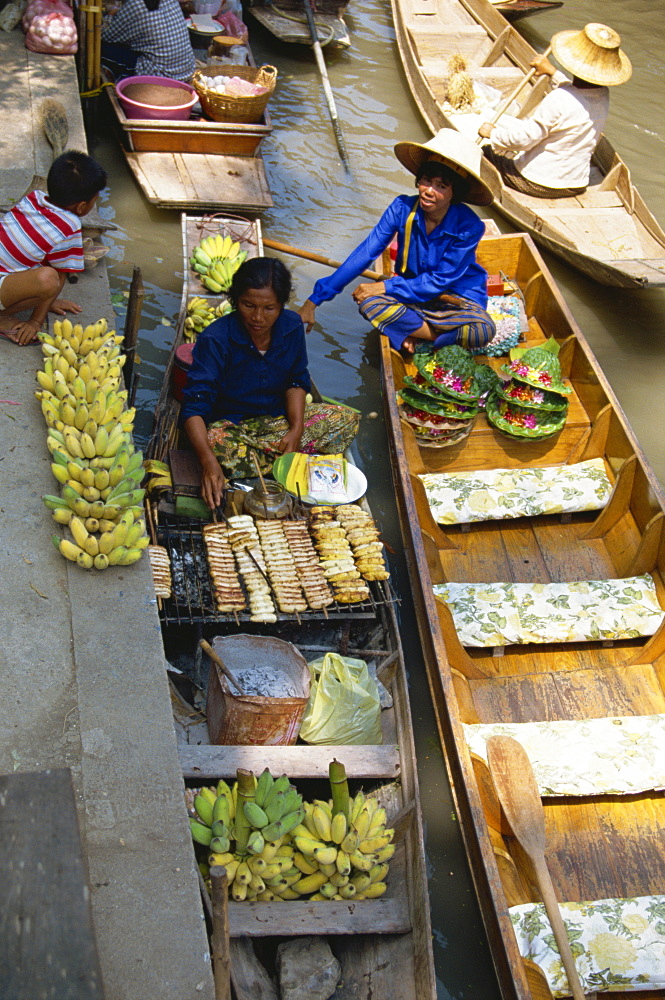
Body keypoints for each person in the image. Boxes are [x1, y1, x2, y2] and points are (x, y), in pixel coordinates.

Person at [181, 256, 360, 509]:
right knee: (217, 442)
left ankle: (270, 460)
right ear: (235, 300)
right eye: (248, 305)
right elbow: (194, 408)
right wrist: (208, 462)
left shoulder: (292, 326)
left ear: (281, 305)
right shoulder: (216, 339)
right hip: (233, 427)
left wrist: (296, 428)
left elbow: (297, 379)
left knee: (346, 419)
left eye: (269, 308)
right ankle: (289, 462)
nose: (258, 317)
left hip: (278, 423)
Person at [298, 129, 496, 355]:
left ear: (455, 192)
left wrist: (385, 285)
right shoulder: (401, 208)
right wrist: (313, 301)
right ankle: (433, 335)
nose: (429, 191)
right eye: (426, 181)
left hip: (454, 299)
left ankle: (417, 335)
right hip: (411, 293)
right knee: (368, 302)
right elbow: (365, 254)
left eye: (441, 186)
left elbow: (440, 281)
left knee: (482, 331)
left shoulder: (469, 226)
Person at [478, 23, 632, 199]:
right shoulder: (603, 95)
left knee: (488, 151)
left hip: (538, 183)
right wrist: (552, 72)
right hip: (577, 184)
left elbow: (524, 140)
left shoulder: (559, 98)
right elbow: (577, 97)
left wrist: (493, 133)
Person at [0, 151, 108, 345]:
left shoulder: (34, 198)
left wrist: (45, 301)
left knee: (44, 265)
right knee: (49, 281)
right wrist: (35, 320)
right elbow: (61, 273)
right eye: (95, 200)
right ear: (82, 207)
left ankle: (39, 299)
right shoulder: (70, 224)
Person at [101, 0, 196, 82]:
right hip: (187, 70)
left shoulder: (136, 4)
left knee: (102, 48)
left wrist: (110, 15)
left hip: (161, 76)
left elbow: (106, 35)